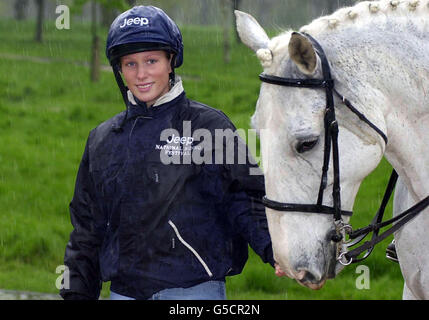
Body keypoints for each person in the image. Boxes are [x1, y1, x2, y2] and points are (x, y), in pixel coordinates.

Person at [60, 5, 283, 300]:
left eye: (151, 60)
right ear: (119, 69)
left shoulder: (210, 126)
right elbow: (86, 229)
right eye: (130, 64)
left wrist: (276, 249)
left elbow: (244, 198)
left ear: (171, 60)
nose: (141, 74)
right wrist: (76, 293)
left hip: (193, 292)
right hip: (124, 293)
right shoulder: (102, 139)